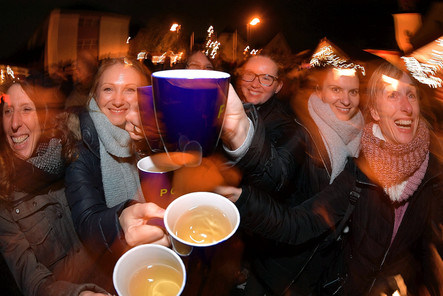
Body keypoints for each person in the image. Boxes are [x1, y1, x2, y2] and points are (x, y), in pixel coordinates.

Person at [218, 61, 443, 295]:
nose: (406, 106)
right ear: (375, 111)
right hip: (287, 270)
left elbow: (427, 241)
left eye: (412, 95)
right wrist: (243, 153)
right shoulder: (344, 161)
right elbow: (280, 178)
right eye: (394, 95)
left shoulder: (428, 171)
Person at [232, 55, 364, 294]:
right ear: (320, 91)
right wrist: (240, 142)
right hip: (279, 260)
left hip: (321, 266)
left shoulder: (361, 135)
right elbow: (276, 173)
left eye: (353, 92)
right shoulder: (302, 129)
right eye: (336, 89)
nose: (346, 100)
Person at [65, 57, 170, 284]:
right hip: (110, 270)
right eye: (108, 89)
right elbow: (86, 221)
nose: (118, 100)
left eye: (130, 90)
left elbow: (170, 191)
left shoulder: (158, 135)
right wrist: (120, 222)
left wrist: (146, 146)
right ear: (95, 94)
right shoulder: (80, 140)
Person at [0, 77, 109, 296]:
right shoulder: (4, 193)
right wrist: (77, 294)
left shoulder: (73, 155)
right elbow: (30, 278)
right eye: (8, 111)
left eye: (26, 109)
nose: (14, 123)